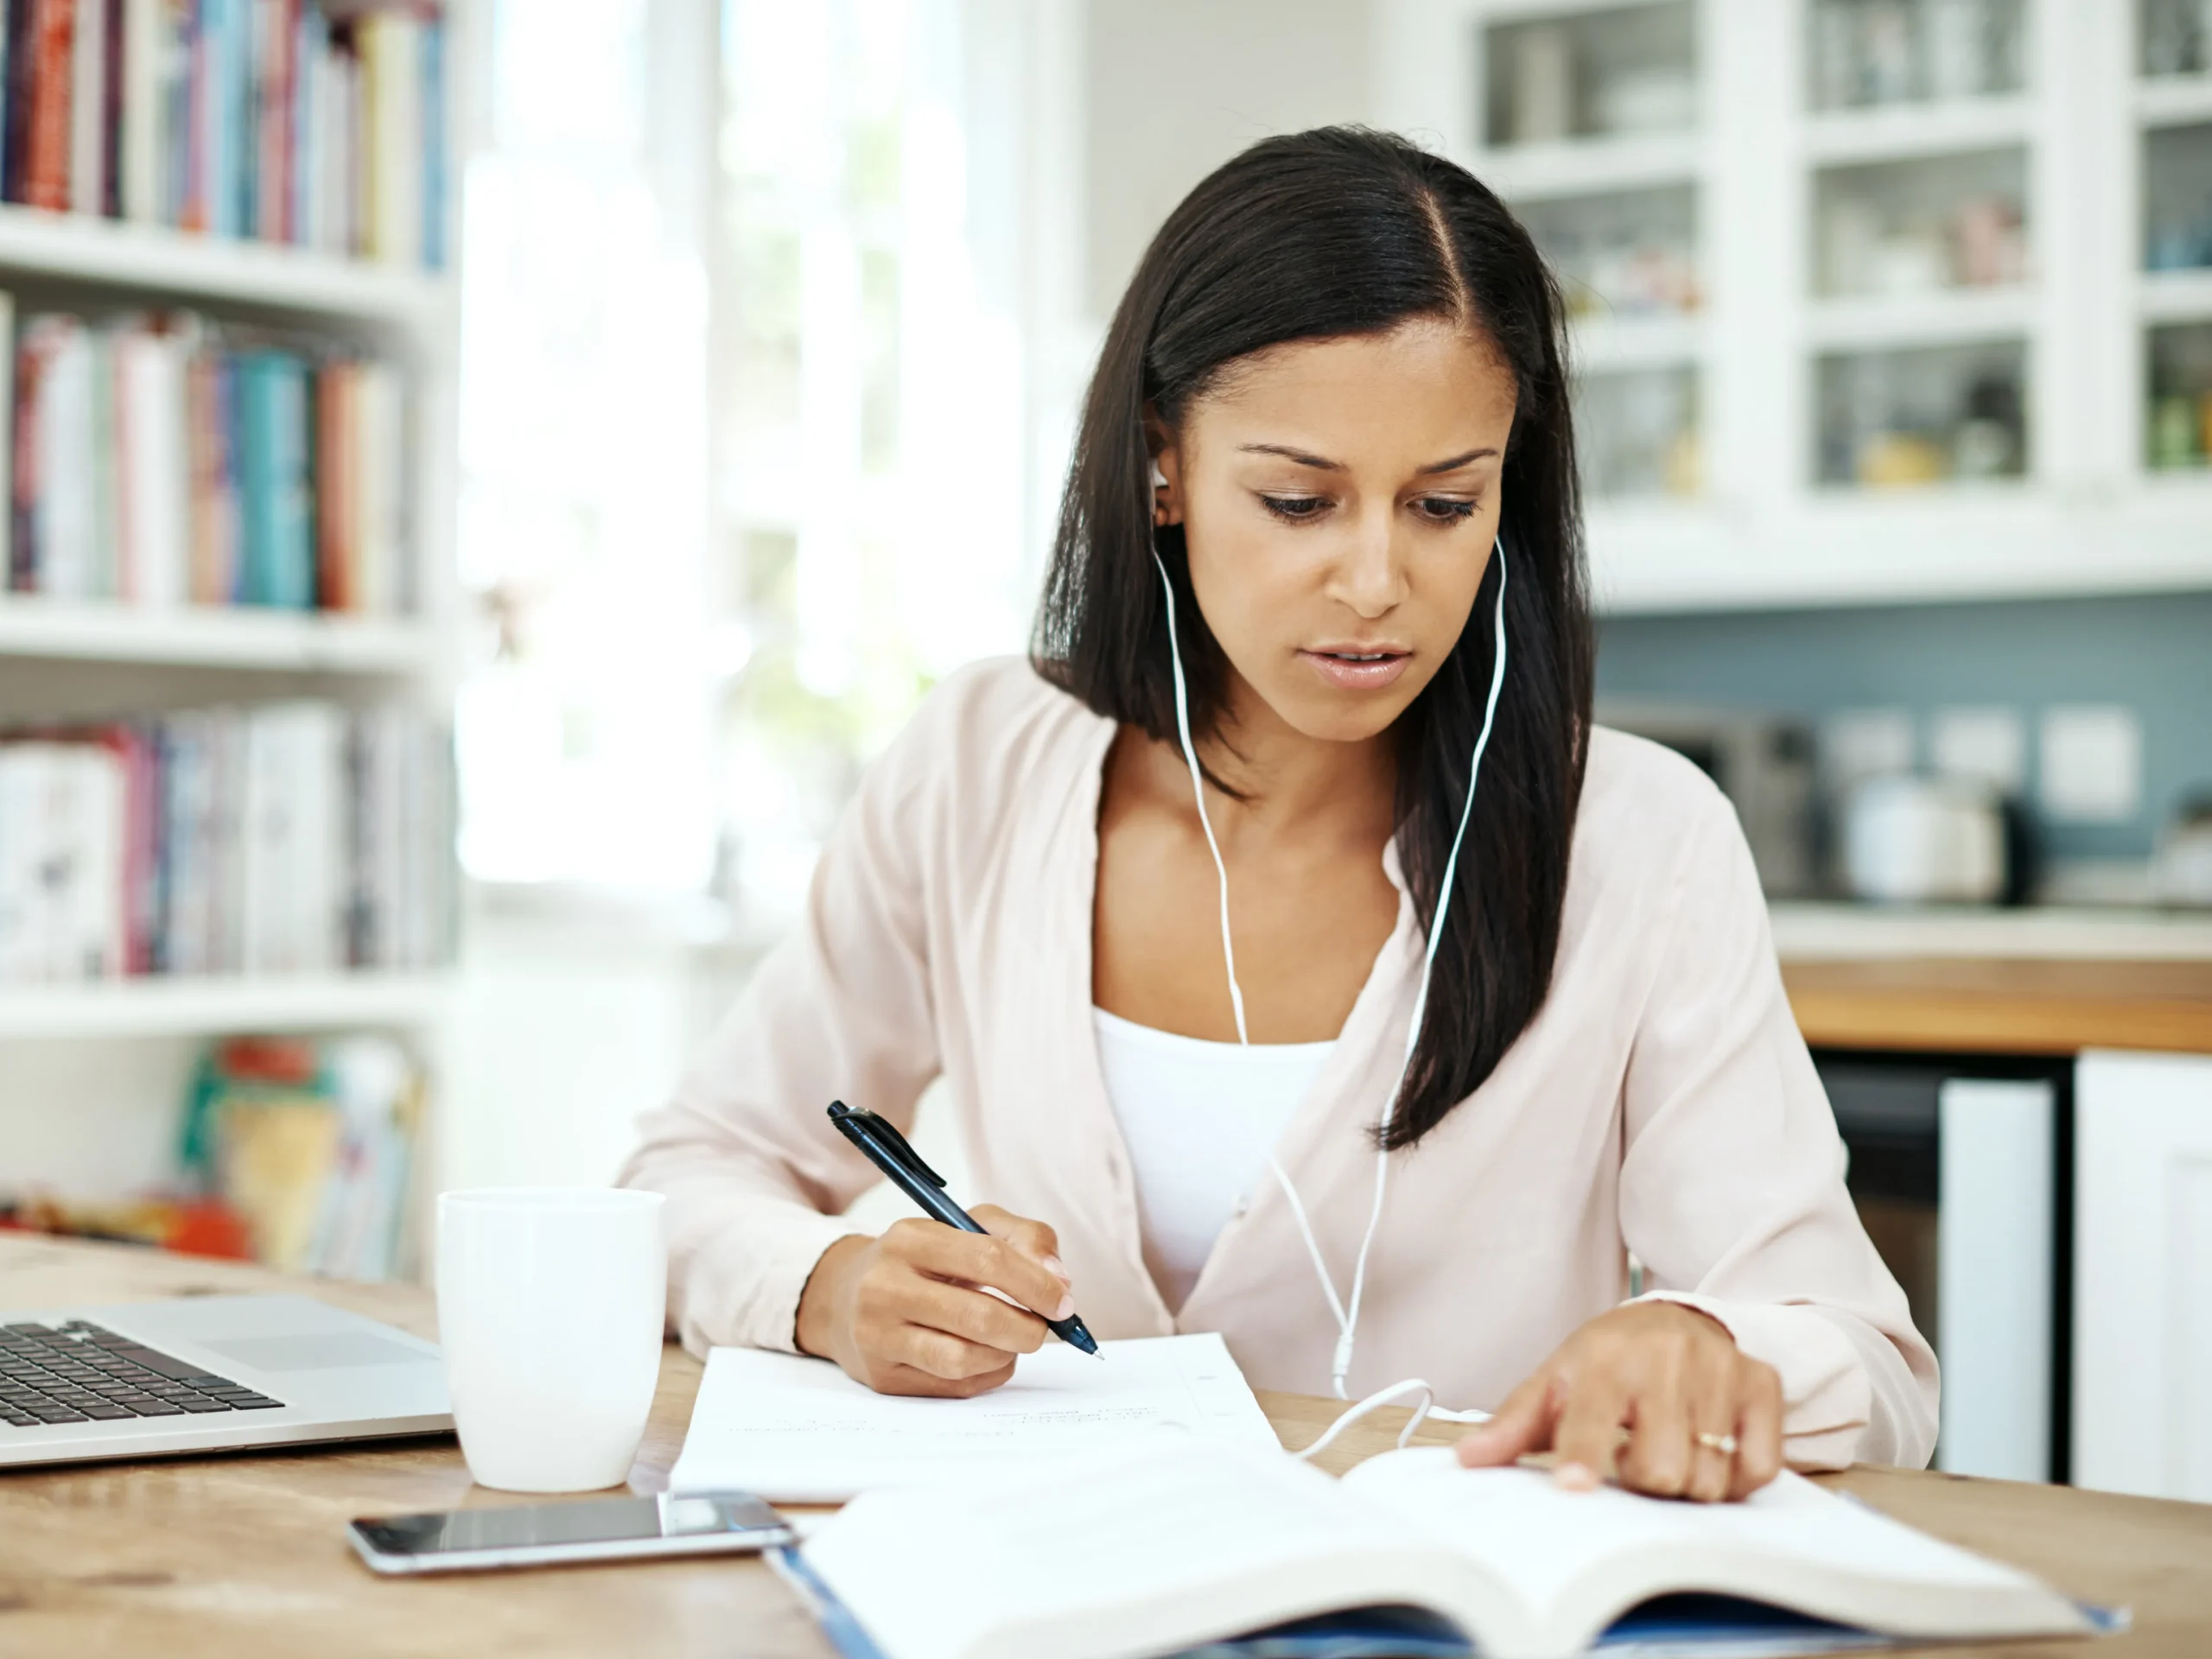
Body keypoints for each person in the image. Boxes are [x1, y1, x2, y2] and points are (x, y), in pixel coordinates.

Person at [620, 126, 1936, 1503]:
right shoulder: (983, 762)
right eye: (1299, 500)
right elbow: (690, 1168)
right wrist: (823, 1284)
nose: (1376, 581)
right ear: (1164, 466)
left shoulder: (1641, 839)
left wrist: (1702, 1341)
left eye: (1444, 503)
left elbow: (1867, 1354)